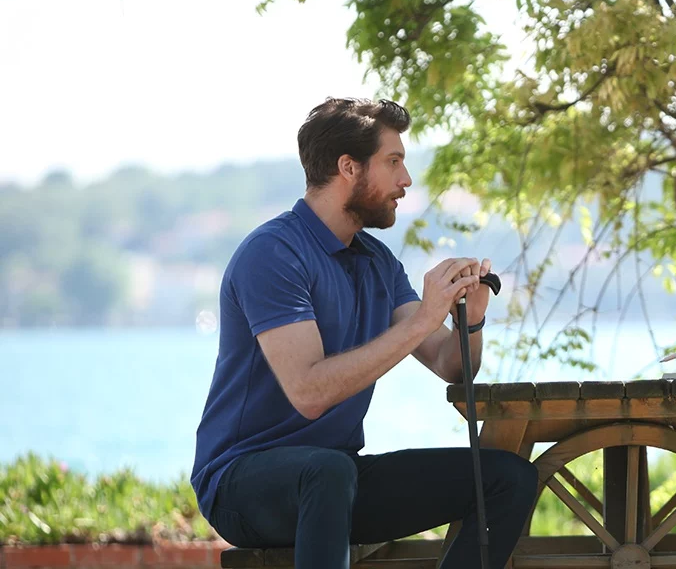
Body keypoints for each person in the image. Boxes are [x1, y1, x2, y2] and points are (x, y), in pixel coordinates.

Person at [190, 97, 539, 569]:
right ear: (349, 167)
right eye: (393, 162)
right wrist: (423, 318)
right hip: (241, 485)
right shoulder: (273, 254)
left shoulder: (378, 262)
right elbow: (309, 393)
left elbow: (451, 365)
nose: (406, 179)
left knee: (507, 478)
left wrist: (468, 321)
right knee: (328, 471)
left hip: (337, 479)